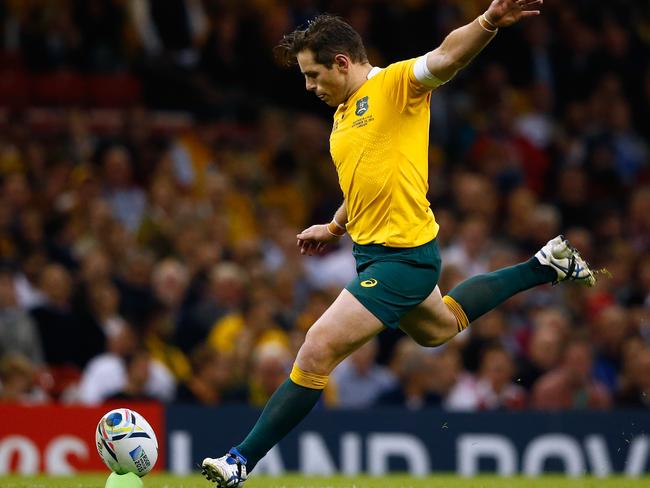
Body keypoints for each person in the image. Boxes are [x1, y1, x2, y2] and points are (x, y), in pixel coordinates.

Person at [201, 3, 597, 486]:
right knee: (439, 328)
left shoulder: (393, 86)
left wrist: (488, 22)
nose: (309, 87)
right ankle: (544, 265)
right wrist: (334, 226)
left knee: (317, 348)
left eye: (313, 75)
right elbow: (365, 181)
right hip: (378, 255)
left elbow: (446, 58)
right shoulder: (344, 116)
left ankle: (240, 459)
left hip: (402, 260)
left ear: (342, 62)